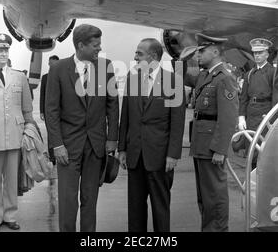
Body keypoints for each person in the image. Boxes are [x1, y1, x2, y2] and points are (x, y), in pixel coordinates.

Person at [45, 24, 119, 232]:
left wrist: (112, 140)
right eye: (95, 45)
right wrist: (57, 144)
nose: (99, 48)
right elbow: (51, 110)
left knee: (90, 200)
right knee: (68, 202)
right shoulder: (58, 69)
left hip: (96, 146)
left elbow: (113, 106)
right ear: (80, 45)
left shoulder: (106, 67)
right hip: (67, 148)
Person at [118, 38, 186, 232]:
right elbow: (126, 117)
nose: (135, 57)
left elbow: (177, 122)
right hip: (135, 155)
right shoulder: (133, 79)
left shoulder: (173, 81)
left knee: (160, 207)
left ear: (153, 56)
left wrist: (173, 154)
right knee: (135, 209)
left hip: (160, 157)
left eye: (139, 53)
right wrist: (122, 148)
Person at [0, 33, 34, 232]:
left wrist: (30, 130)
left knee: (11, 180)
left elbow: (27, 107)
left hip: (15, 135)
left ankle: (10, 216)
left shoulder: (19, 76)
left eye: (6, 50)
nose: (3, 53)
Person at [184, 33, 238, 232]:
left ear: (215, 51)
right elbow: (185, 77)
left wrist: (220, 150)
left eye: (202, 51)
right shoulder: (205, 76)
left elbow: (228, 118)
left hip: (212, 147)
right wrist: (181, 59)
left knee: (214, 195)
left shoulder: (224, 78)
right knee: (205, 197)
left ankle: (218, 230)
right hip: (201, 143)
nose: (197, 55)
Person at [238, 38, 275, 169]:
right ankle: (252, 182)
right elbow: (243, 98)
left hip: (265, 115)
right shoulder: (249, 74)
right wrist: (241, 116)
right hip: (250, 115)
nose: (257, 55)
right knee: (251, 151)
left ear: (267, 54)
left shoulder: (273, 73)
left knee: (263, 151)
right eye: (255, 53)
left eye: (260, 52)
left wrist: (272, 118)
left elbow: (276, 97)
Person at [39, 55, 59, 163]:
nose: (52, 65)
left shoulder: (62, 76)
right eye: (51, 63)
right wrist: (41, 110)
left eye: (55, 63)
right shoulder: (45, 77)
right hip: (48, 111)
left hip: (61, 112)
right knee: (51, 133)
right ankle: (52, 157)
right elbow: (42, 94)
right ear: (48, 64)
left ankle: (60, 153)